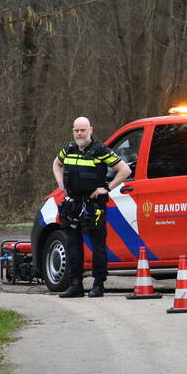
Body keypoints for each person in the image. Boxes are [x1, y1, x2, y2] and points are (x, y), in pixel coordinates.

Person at [52, 117, 131, 298]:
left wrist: (107, 188)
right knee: (73, 246)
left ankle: (98, 285)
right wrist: (60, 182)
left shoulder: (100, 150)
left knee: (98, 246)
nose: (80, 133)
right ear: (73, 131)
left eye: (83, 130)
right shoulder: (69, 149)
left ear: (90, 130)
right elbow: (56, 163)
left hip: (93, 206)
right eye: (77, 130)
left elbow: (125, 170)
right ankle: (75, 285)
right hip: (72, 204)